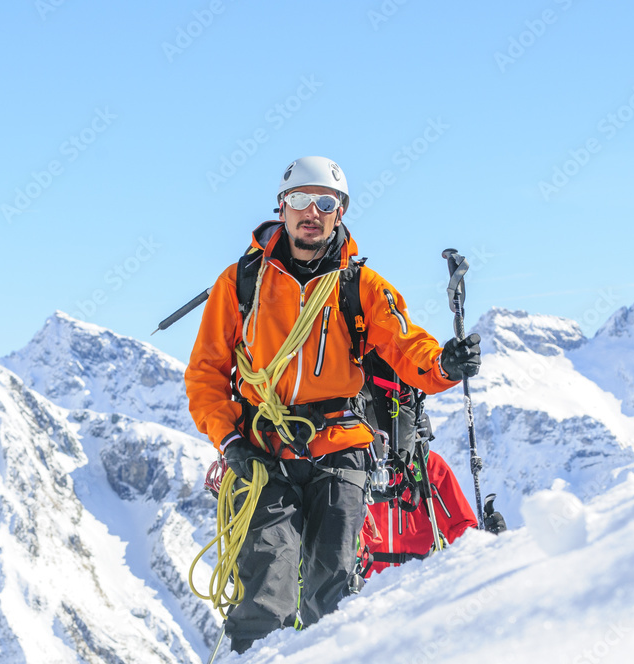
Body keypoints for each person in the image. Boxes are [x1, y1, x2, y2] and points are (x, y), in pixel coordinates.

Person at [185, 156, 482, 653]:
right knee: (265, 595)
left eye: (325, 202)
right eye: (300, 200)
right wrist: (230, 438)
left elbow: (405, 346)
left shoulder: (360, 286)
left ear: (340, 211)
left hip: (340, 447)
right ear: (281, 208)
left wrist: (444, 366)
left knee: (335, 592)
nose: (312, 212)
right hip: (263, 451)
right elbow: (205, 374)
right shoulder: (240, 283)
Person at [359, 449, 478, 578]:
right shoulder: (354, 460)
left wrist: (482, 541)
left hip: (417, 580)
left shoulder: (426, 461)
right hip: (365, 582)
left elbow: (460, 527)